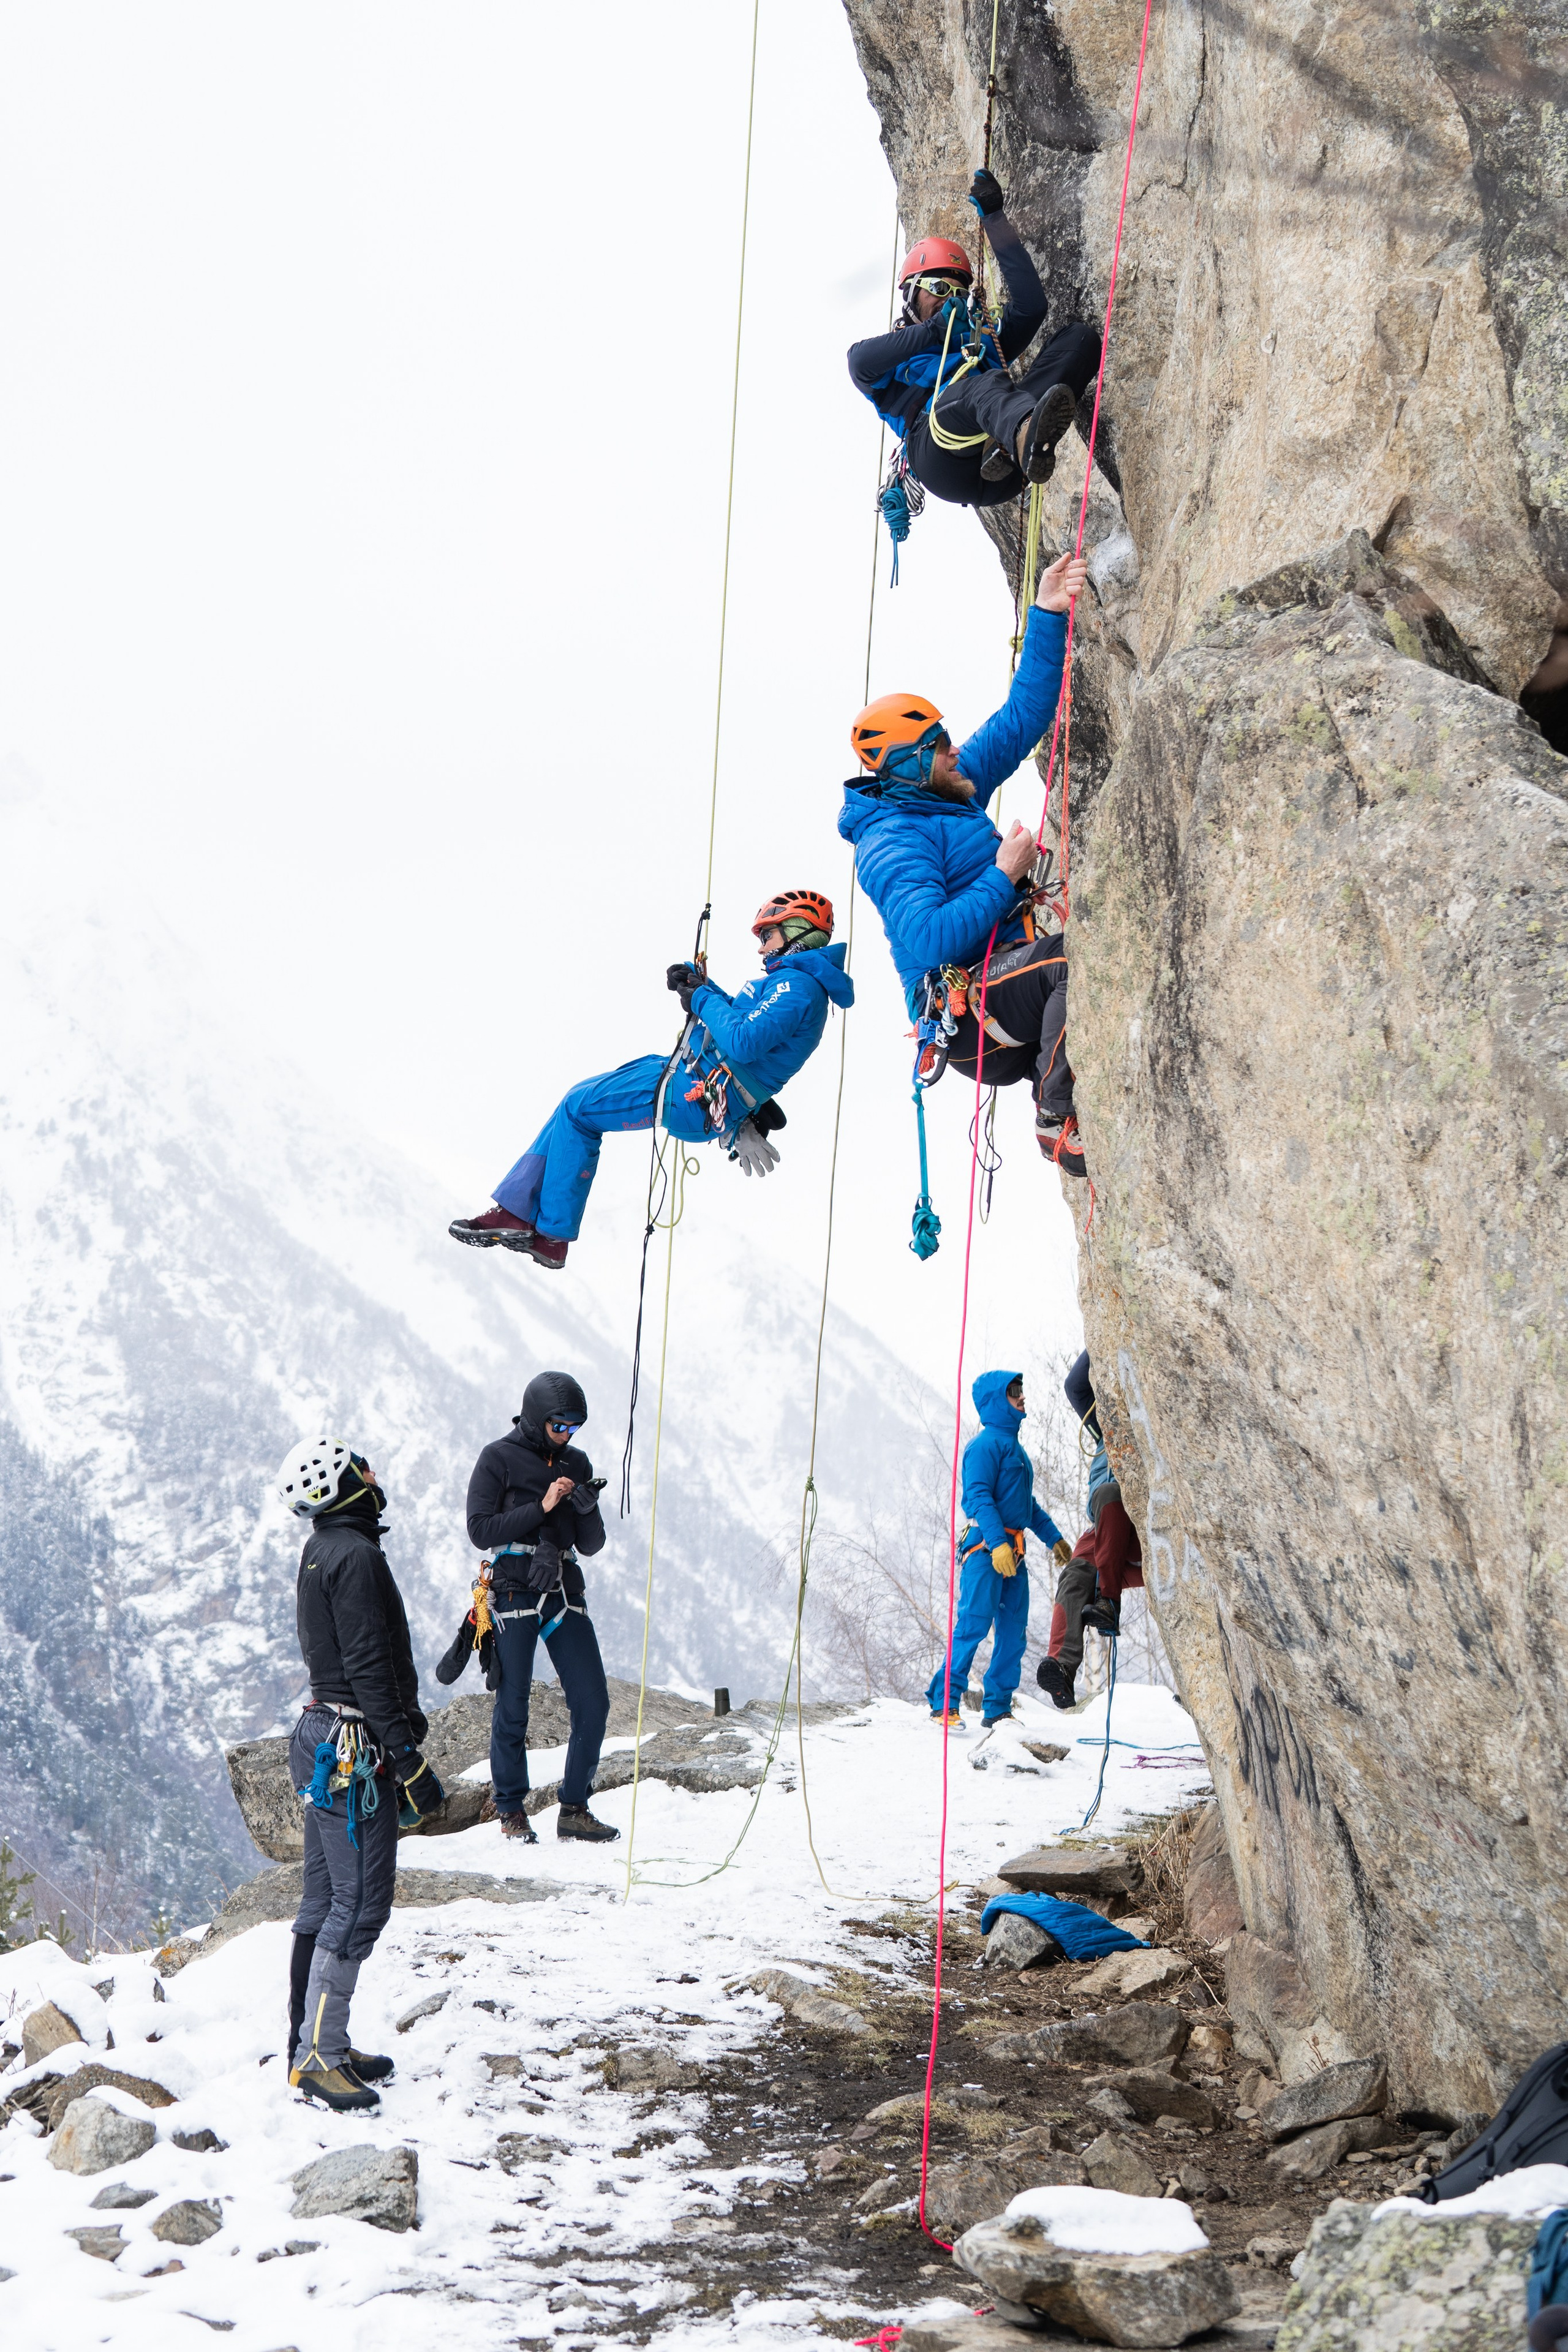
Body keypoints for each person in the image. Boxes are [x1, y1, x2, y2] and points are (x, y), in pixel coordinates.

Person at [840, 552, 1090, 1174]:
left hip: (999, 997)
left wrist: (1048, 612)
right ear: (907, 765)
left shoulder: (951, 791)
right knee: (1072, 961)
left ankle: (1053, 1084)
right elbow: (926, 939)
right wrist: (1004, 872)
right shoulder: (890, 841)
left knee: (1075, 954)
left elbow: (1021, 719)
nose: (953, 751)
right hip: (972, 1016)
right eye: (938, 745)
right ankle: (1054, 1115)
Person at [448, 891, 854, 1268]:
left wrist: (701, 998)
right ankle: (538, 1226)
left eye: (768, 934)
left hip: (691, 1090)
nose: (762, 946)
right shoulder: (793, 985)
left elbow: (745, 1042)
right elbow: (744, 1025)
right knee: (577, 1103)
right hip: (691, 1079)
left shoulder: (798, 986)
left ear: (798, 933)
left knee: (578, 1110)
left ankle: (535, 1224)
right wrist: (702, 986)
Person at [276, 1436, 446, 2113]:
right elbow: (371, 1665)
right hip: (355, 1750)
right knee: (360, 1906)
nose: (374, 1472)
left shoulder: (324, 1548)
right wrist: (410, 1762)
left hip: (320, 1735)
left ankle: (312, 2043)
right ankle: (318, 2057)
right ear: (344, 1482)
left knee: (323, 1901)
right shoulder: (356, 1555)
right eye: (361, 1465)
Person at [847, 167, 1101, 511]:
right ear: (910, 296)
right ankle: (1023, 432)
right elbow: (858, 361)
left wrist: (996, 220)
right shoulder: (894, 359)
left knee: (1081, 341)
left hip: (1003, 467)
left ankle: (1020, 438)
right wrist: (935, 331)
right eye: (937, 288)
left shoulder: (980, 341)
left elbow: (1031, 308)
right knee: (982, 385)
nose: (947, 297)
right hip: (939, 452)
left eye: (956, 291)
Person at [466, 1370, 619, 1843]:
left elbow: (591, 1545)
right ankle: (510, 1808)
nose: (567, 1435)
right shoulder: (499, 1458)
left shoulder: (576, 1460)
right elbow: (481, 1530)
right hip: (514, 1588)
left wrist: (587, 1508)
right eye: (559, 1425)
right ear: (536, 1418)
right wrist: (546, 1506)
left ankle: (574, 1807)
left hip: (562, 1587)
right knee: (514, 1703)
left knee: (593, 1700)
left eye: (575, 1427)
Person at [926, 1369, 1070, 1728]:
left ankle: (998, 1709)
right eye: (1013, 1392)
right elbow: (978, 1498)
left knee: (1012, 1632)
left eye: (1021, 1389)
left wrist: (1054, 1538)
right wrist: (997, 1544)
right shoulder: (983, 1446)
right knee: (974, 1624)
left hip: (1012, 1553)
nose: (1022, 1396)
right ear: (995, 1401)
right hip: (986, 1551)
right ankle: (944, 1703)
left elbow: (1026, 1506)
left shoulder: (1016, 1450)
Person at [1037, 1356, 1145, 1709]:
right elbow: (1076, 1387)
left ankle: (1108, 1603)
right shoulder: (1102, 1430)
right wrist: (1098, 1345)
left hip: (1137, 1533)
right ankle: (1062, 1666)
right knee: (1075, 1574)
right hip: (1106, 1534)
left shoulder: (1148, 1425)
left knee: (1108, 1494)